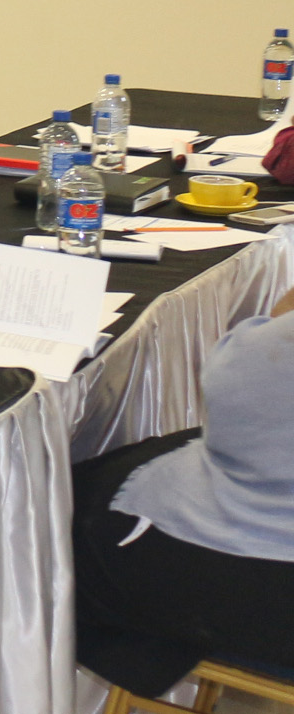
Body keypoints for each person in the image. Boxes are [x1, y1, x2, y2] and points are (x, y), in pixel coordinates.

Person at [71, 287, 294, 696]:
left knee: (65, 521)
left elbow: (252, 369)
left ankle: (155, 652)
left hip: (225, 583)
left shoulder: (261, 349)